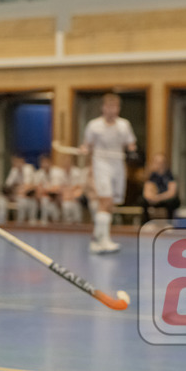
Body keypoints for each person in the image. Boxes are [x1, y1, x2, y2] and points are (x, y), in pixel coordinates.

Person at [82, 92, 137, 253]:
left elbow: (130, 143)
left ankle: (97, 237)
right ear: (103, 108)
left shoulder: (124, 125)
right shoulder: (94, 125)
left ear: (118, 109)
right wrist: (85, 149)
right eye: (108, 107)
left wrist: (132, 151)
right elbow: (87, 145)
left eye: (114, 107)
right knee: (104, 200)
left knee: (110, 203)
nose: (111, 110)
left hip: (117, 164)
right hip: (101, 163)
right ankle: (102, 239)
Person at [138, 153, 181, 224]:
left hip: (165, 199)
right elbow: (147, 191)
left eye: (161, 162)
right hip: (154, 199)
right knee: (142, 201)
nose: (159, 165)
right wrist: (152, 198)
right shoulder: (152, 176)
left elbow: (171, 192)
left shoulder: (170, 176)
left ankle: (170, 223)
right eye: (157, 162)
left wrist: (159, 198)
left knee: (173, 202)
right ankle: (146, 223)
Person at [0, 154, 38, 224]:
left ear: (22, 161)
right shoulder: (14, 170)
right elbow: (8, 186)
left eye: (17, 161)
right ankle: (1, 223)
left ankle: (20, 223)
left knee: (22, 200)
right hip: (16, 194)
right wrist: (15, 190)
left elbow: (27, 186)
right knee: (1, 199)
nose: (16, 164)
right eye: (14, 162)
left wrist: (18, 189)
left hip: (28, 196)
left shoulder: (28, 168)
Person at [33, 153, 68, 225]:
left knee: (64, 205)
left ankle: (59, 222)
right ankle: (43, 222)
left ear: (50, 163)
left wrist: (47, 191)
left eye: (46, 162)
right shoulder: (39, 174)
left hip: (58, 198)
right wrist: (45, 192)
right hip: (45, 198)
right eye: (43, 162)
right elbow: (38, 189)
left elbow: (57, 188)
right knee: (44, 200)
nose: (45, 164)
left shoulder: (58, 172)